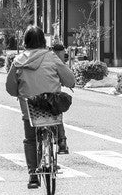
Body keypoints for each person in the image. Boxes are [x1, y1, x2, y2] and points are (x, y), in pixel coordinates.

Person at [5, 26, 75, 190]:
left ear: (25, 41)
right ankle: (62, 141)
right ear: (43, 41)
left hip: (29, 107)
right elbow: (69, 78)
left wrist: (20, 93)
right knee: (55, 106)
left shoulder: (18, 61)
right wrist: (68, 84)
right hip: (50, 104)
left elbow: (9, 87)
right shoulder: (51, 57)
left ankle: (33, 176)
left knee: (30, 139)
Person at [49, 40, 70, 154]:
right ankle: (62, 141)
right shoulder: (56, 61)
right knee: (57, 112)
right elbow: (69, 79)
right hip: (52, 98)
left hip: (34, 97)